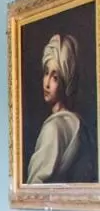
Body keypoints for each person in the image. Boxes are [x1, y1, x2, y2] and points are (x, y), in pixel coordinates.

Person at [26, 33, 97, 184]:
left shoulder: (55, 128)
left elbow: (35, 186)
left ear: (67, 81)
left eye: (55, 77)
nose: (47, 84)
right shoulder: (79, 124)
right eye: (46, 73)